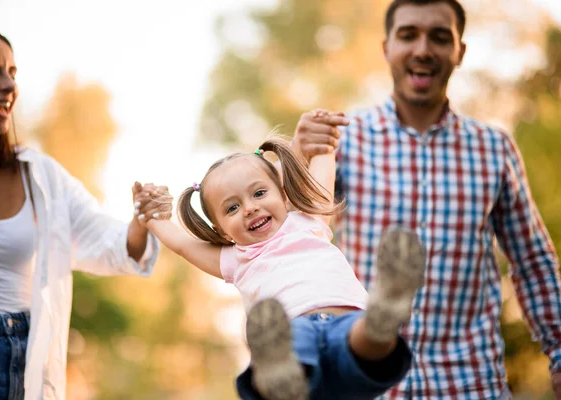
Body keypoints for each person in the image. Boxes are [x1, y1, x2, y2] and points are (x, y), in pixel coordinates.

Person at [292, 0, 561, 399]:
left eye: (439, 37)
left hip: (471, 385)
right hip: (367, 385)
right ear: (386, 48)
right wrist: (298, 157)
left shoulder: (494, 148)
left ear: (460, 52)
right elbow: (299, 236)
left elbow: (534, 262)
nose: (422, 49)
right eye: (408, 35)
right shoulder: (343, 140)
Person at [0, 22, 169, 399]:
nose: (8, 87)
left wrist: (142, 221)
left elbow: (110, 242)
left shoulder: (41, 177)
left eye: (12, 74)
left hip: (22, 359)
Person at [144, 135, 426, 399]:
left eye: (259, 193)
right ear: (221, 230)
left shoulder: (309, 220)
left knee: (366, 340)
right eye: (232, 208)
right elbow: (182, 244)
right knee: (289, 344)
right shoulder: (234, 259)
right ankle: (283, 376)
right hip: (290, 329)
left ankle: (383, 316)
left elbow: (321, 174)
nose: (250, 208)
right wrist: (151, 216)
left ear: (283, 194)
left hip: (348, 322)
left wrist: (326, 144)